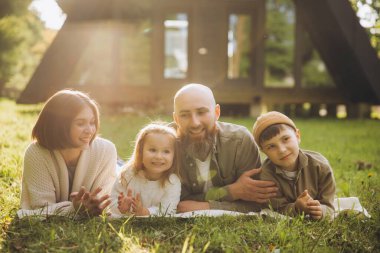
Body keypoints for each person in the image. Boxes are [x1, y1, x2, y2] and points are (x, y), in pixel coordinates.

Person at [172, 83, 278, 213]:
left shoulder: (240, 142)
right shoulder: (163, 146)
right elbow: (168, 203)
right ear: (176, 119)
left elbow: (255, 203)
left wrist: (205, 207)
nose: (195, 123)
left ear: (217, 112)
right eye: (184, 115)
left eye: (201, 112)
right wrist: (232, 192)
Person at [19, 89, 117, 217]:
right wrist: (73, 209)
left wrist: (90, 206)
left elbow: (102, 204)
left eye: (92, 122)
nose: (90, 130)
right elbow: (40, 209)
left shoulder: (106, 150)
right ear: (59, 125)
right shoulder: (36, 153)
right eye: (80, 123)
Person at [252, 111, 336, 219]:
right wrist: (296, 208)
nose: (282, 150)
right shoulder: (265, 175)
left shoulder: (320, 166)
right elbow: (276, 208)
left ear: (297, 136)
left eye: (285, 139)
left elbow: (329, 204)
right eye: (271, 146)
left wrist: (322, 210)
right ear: (264, 151)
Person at [111, 123, 181, 216]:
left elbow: (168, 210)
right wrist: (122, 208)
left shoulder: (172, 181)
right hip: (120, 170)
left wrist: (145, 212)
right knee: (115, 167)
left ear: (174, 156)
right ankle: (117, 161)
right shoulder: (127, 174)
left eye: (166, 151)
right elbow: (112, 202)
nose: (159, 156)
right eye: (152, 150)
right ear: (140, 152)